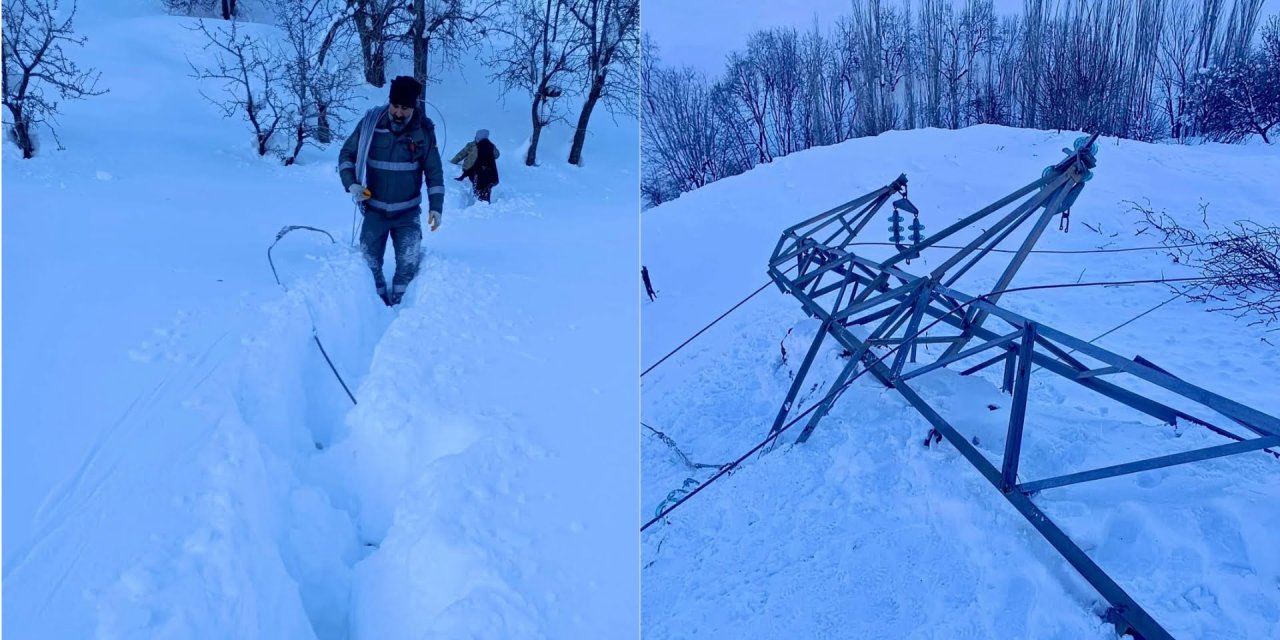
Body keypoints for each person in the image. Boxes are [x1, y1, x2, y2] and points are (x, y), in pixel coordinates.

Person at [338, 76, 445, 306]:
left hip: (407, 215)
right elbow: (347, 155)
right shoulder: (371, 125)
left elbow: (434, 173)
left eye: (405, 108)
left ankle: (402, 310)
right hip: (374, 213)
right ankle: (374, 306)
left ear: (414, 106)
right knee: (368, 265)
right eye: (395, 106)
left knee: (408, 265)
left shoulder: (423, 133)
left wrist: (436, 207)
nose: (398, 112)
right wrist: (352, 184)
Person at [450, 129, 500, 203]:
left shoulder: (490, 146)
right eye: (477, 137)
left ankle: (482, 199)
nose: (477, 139)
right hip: (469, 168)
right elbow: (461, 154)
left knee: (483, 181)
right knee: (477, 180)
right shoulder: (471, 145)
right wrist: (453, 162)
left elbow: (497, 155)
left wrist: (491, 151)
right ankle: (478, 198)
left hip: (482, 170)